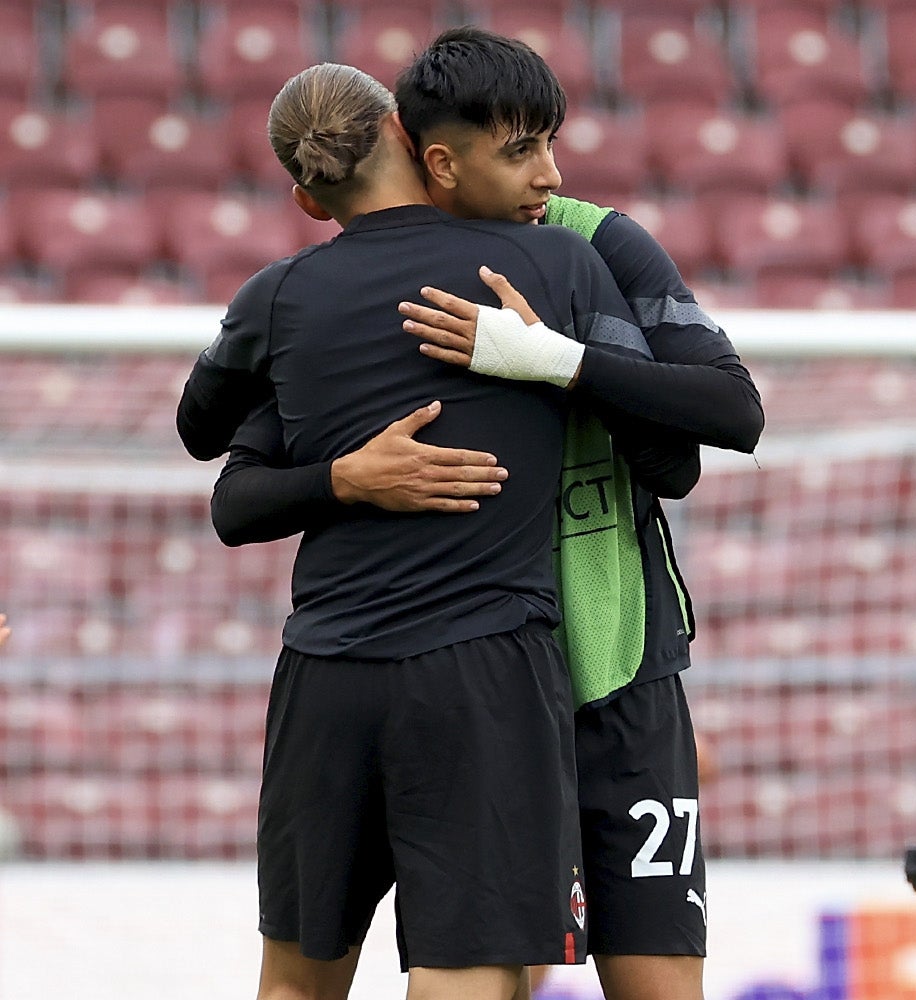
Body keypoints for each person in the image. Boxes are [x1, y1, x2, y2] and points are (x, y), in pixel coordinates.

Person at [197, 28, 763, 1000]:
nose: (550, 172)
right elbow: (235, 469)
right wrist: (345, 475)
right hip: (493, 673)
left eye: (550, 141)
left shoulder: (590, 243)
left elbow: (713, 429)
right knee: (489, 964)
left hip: (612, 666)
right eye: (520, 150)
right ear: (434, 157)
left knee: (645, 978)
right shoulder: (348, 289)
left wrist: (558, 362)